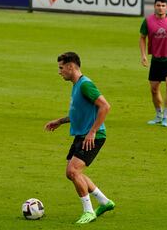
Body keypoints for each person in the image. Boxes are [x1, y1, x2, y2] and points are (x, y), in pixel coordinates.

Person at [45, 52, 115, 224]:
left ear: (71, 66)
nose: (59, 72)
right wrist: (60, 121)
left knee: (73, 171)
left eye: (61, 68)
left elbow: (105, 106)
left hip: (92, 136)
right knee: (72, 174)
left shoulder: (85, 85)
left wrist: (92, 132)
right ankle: (105, 202)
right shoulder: (76, 85)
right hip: (82, 134)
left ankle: (89, 212)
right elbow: (79, 112)